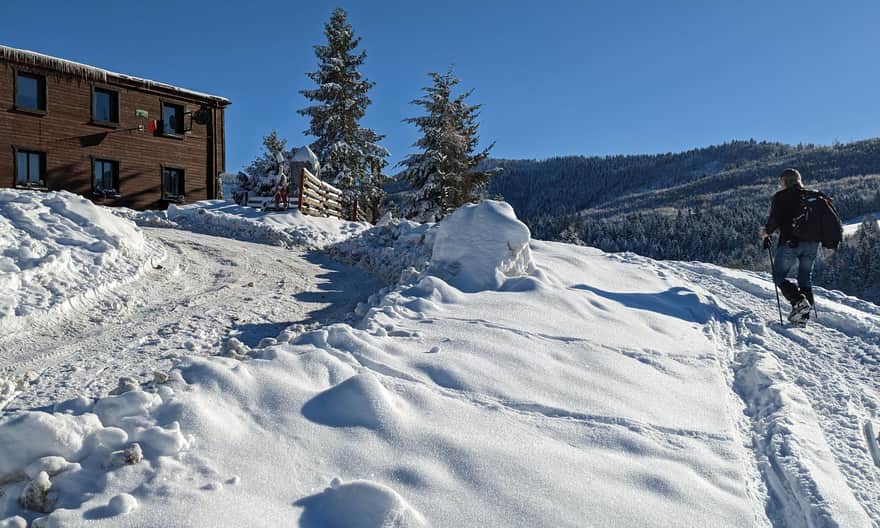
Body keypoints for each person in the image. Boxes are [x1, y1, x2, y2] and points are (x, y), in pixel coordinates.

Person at [760, 168, 816, 323]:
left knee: (778, 275)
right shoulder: (810, 195)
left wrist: (766, 233)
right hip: (812, 243)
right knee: (804, 277)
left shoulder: (781, 197)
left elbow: (775, 219)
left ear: (785, 181)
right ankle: (803, 316)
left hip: (790, 242)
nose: (779, 184)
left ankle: (798, 302)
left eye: (780, 181)